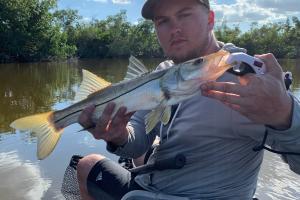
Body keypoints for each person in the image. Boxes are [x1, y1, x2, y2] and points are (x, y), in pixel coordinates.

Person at [76, 0, 300, 199]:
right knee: (87, 166)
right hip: (148, 189)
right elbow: (138, 142)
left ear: (210, 19)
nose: (175, 29)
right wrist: (120, 136)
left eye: (184, 14)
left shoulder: (250, 78)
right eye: (163, 21)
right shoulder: (164, 70)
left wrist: (284, 114)